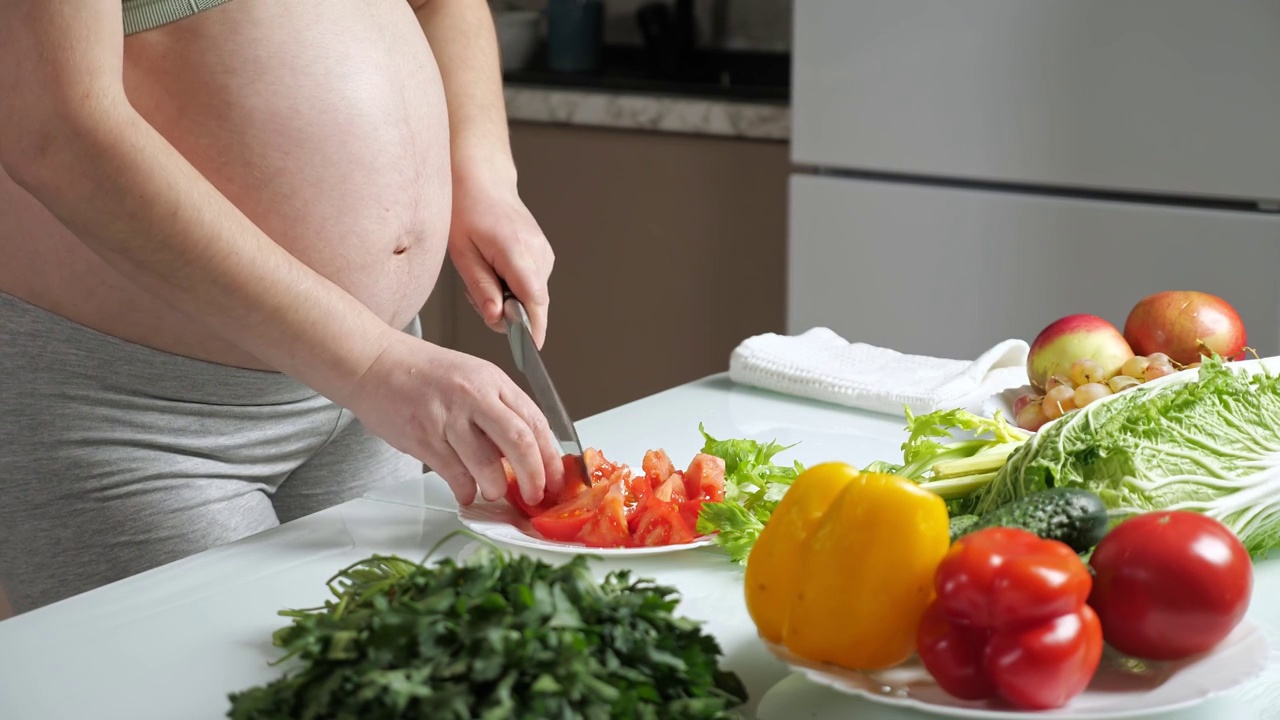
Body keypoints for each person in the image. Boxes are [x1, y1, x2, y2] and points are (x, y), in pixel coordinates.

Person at [0, 0, 567, 618]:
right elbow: (51, 123)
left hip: (372, 401)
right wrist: (373, 363)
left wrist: (482, 174)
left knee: (382, 686)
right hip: (144, 423)